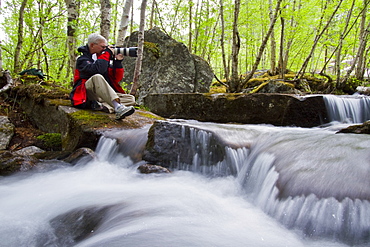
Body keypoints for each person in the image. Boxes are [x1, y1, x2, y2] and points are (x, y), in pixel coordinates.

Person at [70, 33, 135, 120]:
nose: (105, 49)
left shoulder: (102, 59)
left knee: (131, 99)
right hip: (86, 93)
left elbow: (116, 79)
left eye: (106, 47)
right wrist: (107, 54)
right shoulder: (82, 60)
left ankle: (102, 106)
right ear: (92, 45)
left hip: (101, 96)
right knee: (97, 77)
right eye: (103, 47)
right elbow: (97, 70)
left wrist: (117, 63)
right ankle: (118, 107)